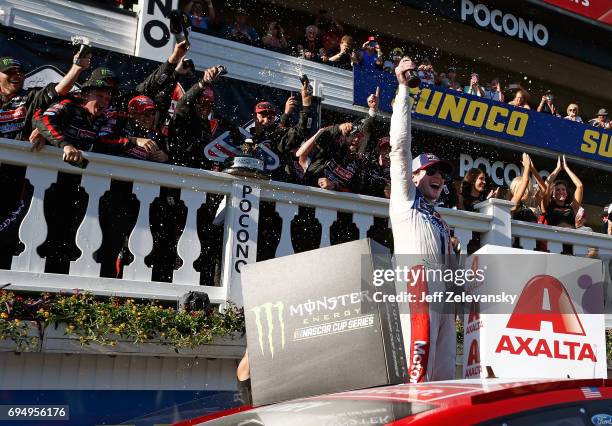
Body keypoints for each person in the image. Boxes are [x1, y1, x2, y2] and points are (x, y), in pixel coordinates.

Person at [389, 57, 460, 383]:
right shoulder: (405, 199)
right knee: (419, 376)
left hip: (444, 295)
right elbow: (400, 148)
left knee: (444, 380)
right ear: (413, 176)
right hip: (418, 285)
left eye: (441, 174)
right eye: (430, 171)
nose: (438, 177)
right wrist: (403, 90)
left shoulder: (438, 218)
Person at [0, 53, 89, 142]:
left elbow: (59, 90)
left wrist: (76, 68)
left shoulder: (31, 96)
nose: (17, 75)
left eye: (20, 72)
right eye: (10, 72)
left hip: (20, 152)